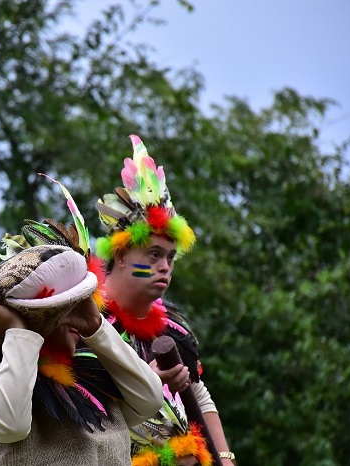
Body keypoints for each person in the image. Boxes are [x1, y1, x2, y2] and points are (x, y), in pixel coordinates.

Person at [94, 134, 234, 465]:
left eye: (171, 257)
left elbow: (199, 393)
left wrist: (225, 458)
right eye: (154, 254)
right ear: (123, 254)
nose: (164, 267)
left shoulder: (174, 327)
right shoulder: (86, 319)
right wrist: (148, 379)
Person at [0, 283, 164, 466]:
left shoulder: (91, 371)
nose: (73, 311)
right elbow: (10, 426)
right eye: (61, 305)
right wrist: (18, 332)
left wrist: (96, 326)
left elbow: (150, 401)